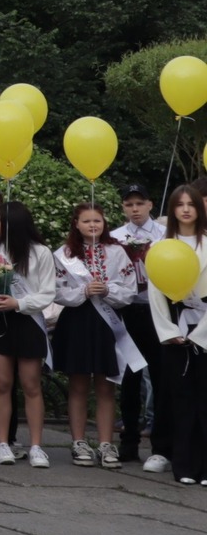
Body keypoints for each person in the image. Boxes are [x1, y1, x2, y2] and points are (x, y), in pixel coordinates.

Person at [53, 202, 143, 469]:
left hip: (108, 323)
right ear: (76, 224)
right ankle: (79, 442)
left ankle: (105, 443)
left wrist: (107, 290)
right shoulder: (64, 254)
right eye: (86, 221)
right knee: (78, 384)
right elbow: (56, 290)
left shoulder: (117, 252)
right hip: (78, 321)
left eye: (97, 221)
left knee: (106, 385)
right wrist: (82, 291)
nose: (93, 225)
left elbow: (129, 288)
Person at [0, 199, 56, 467]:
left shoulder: (41, 253)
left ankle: (36, 446)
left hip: (28, 321)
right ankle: (2, 444)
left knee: (31, 384)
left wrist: (19, 303)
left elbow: (47, 293)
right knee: (1, 383)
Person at [149, 184, 207, 483]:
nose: (185, 209)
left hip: (204, 329)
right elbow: (155, 293)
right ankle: (184, 466)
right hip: (176, 330)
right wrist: (168, 331)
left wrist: (201, 334)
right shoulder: (160, 246)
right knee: (181, 400)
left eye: (191, 204)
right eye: (179, 204)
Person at [111, 182, 166, 468]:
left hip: (157, 311)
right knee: (130, 377)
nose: (135, 209)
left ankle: (162, 443)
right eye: (129, 204)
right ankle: (129, 440)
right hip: (128, 310)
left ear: (150, 205)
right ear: (123, 207)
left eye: (139, 203)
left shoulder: (164, 235)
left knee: (160, 377)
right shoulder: (115, 237)